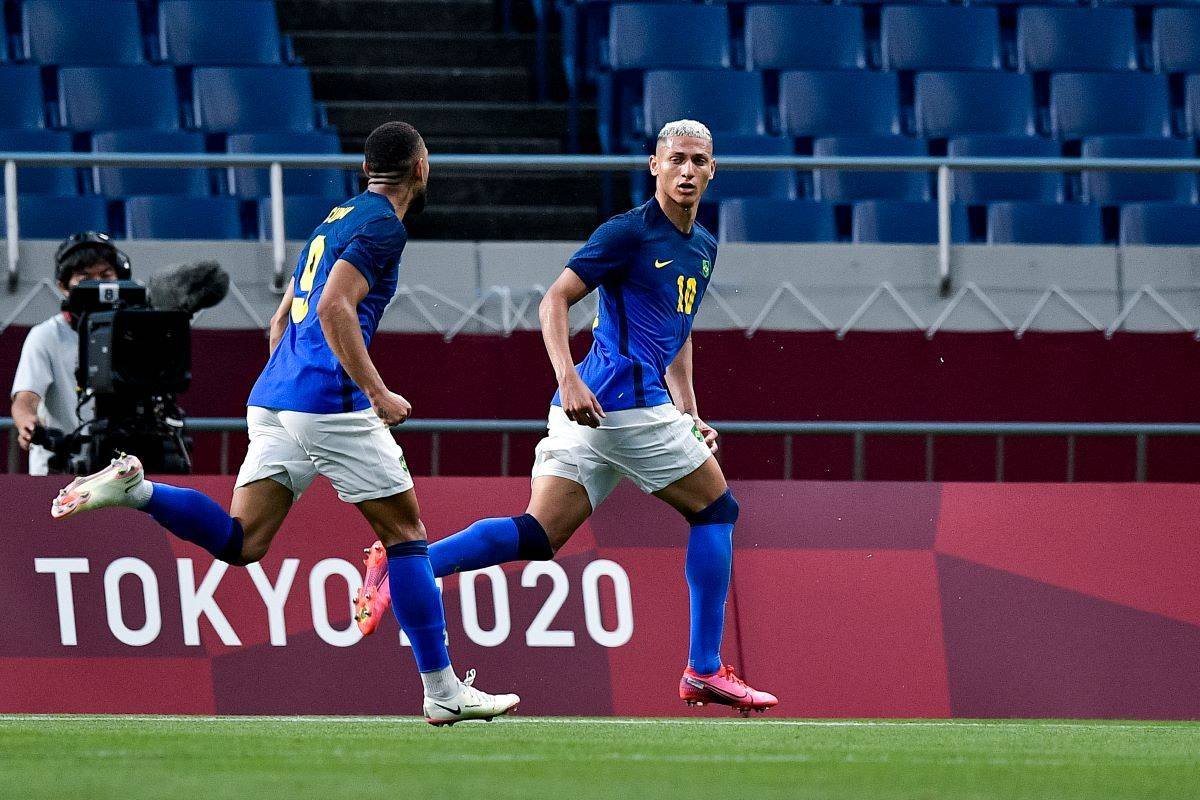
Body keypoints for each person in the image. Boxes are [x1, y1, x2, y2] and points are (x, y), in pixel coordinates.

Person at [49, 121, 519, 726]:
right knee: (406, 537)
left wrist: (285, 388)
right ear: (421, 168)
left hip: (275, 394)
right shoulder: (382, 226)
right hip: (327, 397)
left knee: (244, 541)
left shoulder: (336, 218)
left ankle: (137, 491)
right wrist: (376, 393)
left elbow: (281, 320)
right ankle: (442, 689)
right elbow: (332, 306)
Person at [355, 119, 777, 715]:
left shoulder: (703, 246)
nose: (686, 171)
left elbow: (678, 331)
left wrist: (690, 411)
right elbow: (554, 299)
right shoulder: (627, 234)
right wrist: (568, 375)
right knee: (717, 509)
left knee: (539, 534)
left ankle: (401, 564)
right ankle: (703, 669)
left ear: (713, 170)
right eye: (676, 159)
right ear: (653, 166)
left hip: (599, 413)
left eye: (698, 161)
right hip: (620, 403)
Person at [10, 233, 126, 474]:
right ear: (64, 286)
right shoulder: (45, 336)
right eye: (85, 278)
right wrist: (27, 423)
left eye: (106, 276)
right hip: (59, 471)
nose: (98, 285)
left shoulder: (131, 334)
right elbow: (25, 399)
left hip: (118, 471)